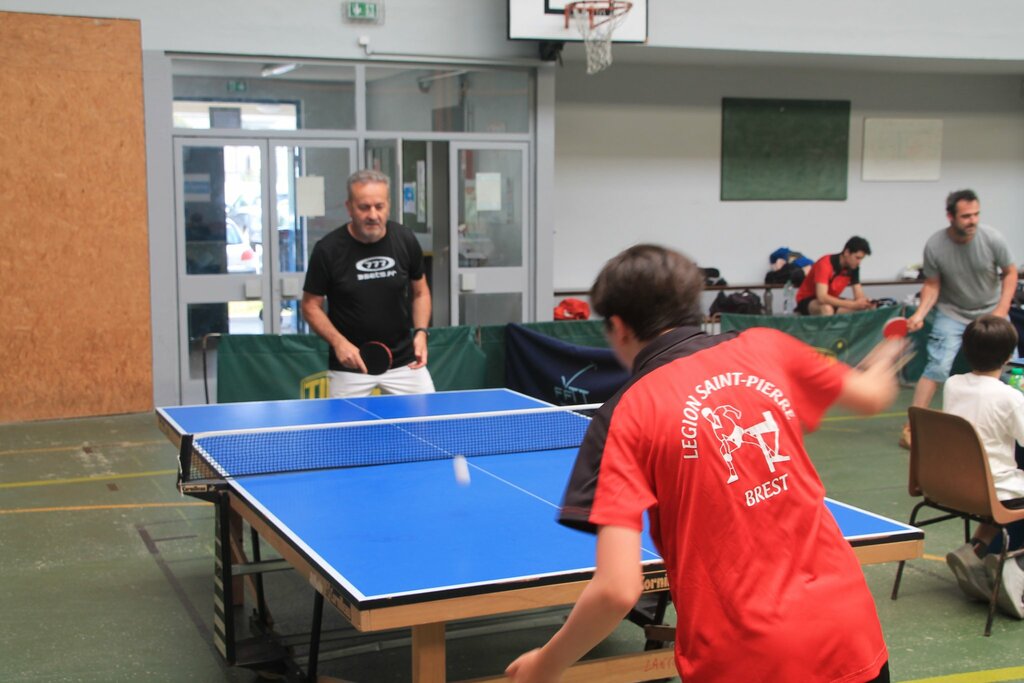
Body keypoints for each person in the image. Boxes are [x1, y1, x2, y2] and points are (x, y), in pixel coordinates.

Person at [505, 244, 904, 683]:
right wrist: (885, 357)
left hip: (745, 661)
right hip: (849, 632)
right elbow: (872, 397)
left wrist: (544, 665)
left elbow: (617, 590)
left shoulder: (624, 415)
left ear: (618, 327)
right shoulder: (766, 345)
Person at [301, 169, 435, 397]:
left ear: (388, 205)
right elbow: (310, 306)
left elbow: (421, 292)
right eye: (364, 207)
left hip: (405, 363)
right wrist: (339, 343)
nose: (373, 215)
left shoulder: (405, 239)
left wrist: (421, 332)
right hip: (350, 366)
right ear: (349, 207)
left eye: (379, 206)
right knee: (344, 422)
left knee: (429, 417)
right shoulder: (328, 250)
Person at [899, 189, 1017, 449]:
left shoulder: (992, 239)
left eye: (976, 214)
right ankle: (911, 427)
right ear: (950, 216)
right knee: (937, 367)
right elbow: (932, 284)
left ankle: (1008, 424)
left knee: (1010, 366)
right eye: (966, 216)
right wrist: (920, 313)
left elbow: (1010, 272)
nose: (973, 221)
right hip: (952, 312)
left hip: (990, 311)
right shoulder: (935, 245)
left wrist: (1001, 309)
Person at [941, 315, 1024, 618]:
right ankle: (1012, 563)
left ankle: (976, 548)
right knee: (1006, 487)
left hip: (954, 486)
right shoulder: (1009, 397)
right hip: (995, 489)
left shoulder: (952, 384)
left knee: (997, 485)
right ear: (1008, 356)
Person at [794, 236, 875, 315]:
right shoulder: (825, 264)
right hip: (808, 300)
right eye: (857, 258)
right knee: (827, 309)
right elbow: (822, 297)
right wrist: (853, 304)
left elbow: (859, 295)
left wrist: (866, 303)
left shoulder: (853, 267)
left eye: (861, 259)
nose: (859, 262)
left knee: (864, 308)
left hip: (830, 300)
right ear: (847, 252)